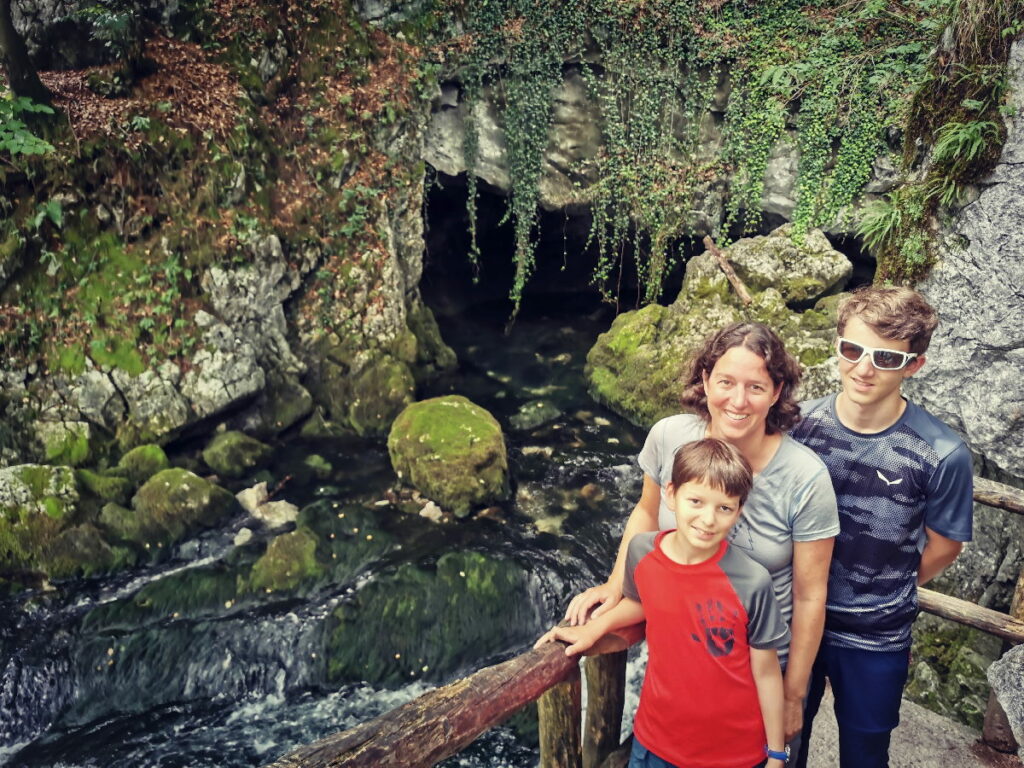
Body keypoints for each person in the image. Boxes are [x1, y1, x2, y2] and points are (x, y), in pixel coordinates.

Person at [567, 322, 839, 747]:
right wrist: (615, 585)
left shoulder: (805, 477)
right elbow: (646, 511)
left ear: (777, 390)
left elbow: (810, 596)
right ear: (705, 379)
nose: (737, 401)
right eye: (725, 382)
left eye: (755, 387)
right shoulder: (670, 436)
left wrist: (792, 694)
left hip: (761, 671)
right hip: (684, 659)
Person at [790, 286, 974, 768]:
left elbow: (946, 544)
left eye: (886, 358)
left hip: (877, 634)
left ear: (915, 365)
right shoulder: (798, 426)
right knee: (781, 740)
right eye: (852, 349)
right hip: (792, 617)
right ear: (838, 346)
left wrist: (886, 586)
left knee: (866, 752)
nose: (863, 368)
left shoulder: (942, 453)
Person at [538, 438, 791, 768]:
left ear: (738, 510)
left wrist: (776, 753)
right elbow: (644, 601)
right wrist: (595, 628)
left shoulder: (752, 582)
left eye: (724, 507)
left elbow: (767, 672)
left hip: (733, 752)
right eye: (696, 501)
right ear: (670, 494)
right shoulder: (642, 552)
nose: (708, 518)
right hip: (656, 738)